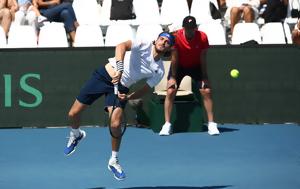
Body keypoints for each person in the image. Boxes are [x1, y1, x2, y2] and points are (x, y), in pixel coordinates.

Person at [64, 32, 175, 180]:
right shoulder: (144, 43)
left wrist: (129, 97)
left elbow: (145, 90)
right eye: (162, 39)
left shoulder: (159, 70)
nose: (163, 42)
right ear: (156, 40)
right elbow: (121, 46)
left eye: (167, 42)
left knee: (116, 124)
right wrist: (120, 69)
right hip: (104, 76)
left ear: (169, 48)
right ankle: (76, 135)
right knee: (73, 114)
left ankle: (114, 160)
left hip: (121, 88)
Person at [159, 16, 220, 136]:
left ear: (195, 28)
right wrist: (172, 77)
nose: (190, 31)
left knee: (206, 90)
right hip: (179, 66)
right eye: (187, 28)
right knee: (170, 91)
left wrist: (204, 77)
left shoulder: (202, 37)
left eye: (192, 28)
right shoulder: (176, 37)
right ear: (183, 28)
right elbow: (175, 59)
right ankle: (167, 124)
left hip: (196, 66)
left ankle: (212, 124)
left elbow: (203, 57)